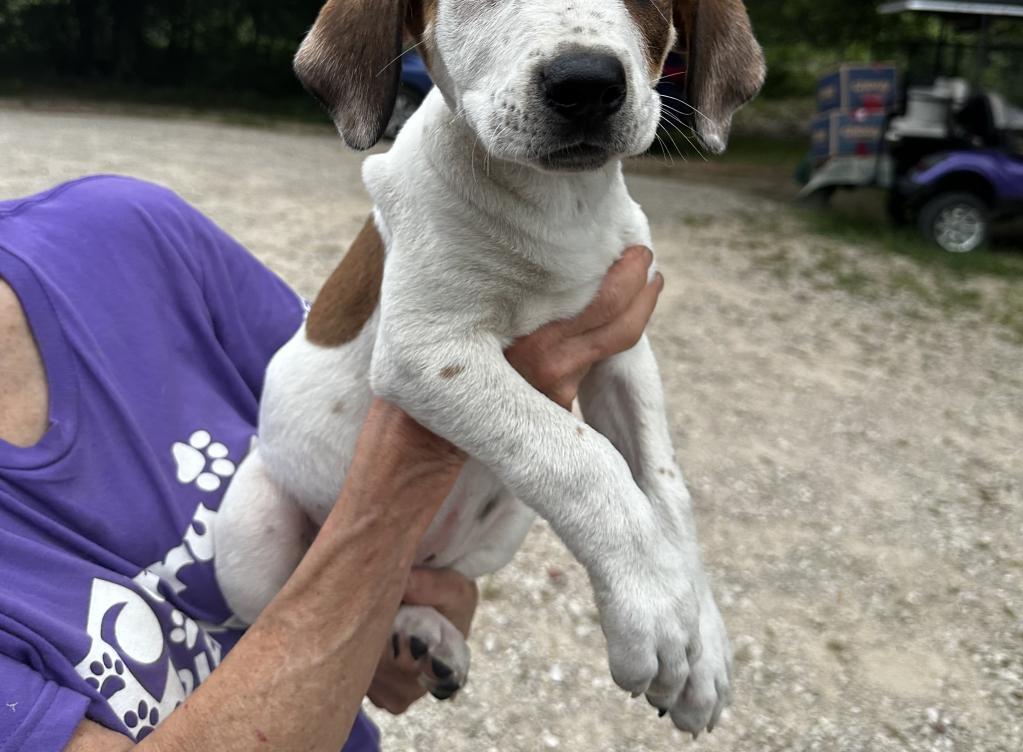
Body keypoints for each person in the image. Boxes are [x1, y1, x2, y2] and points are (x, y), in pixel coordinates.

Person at [0, 174, 663, 751]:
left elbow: (333, 394)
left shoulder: (125, 234)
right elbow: (398, 436)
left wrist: (383, 614)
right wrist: (424, 456)